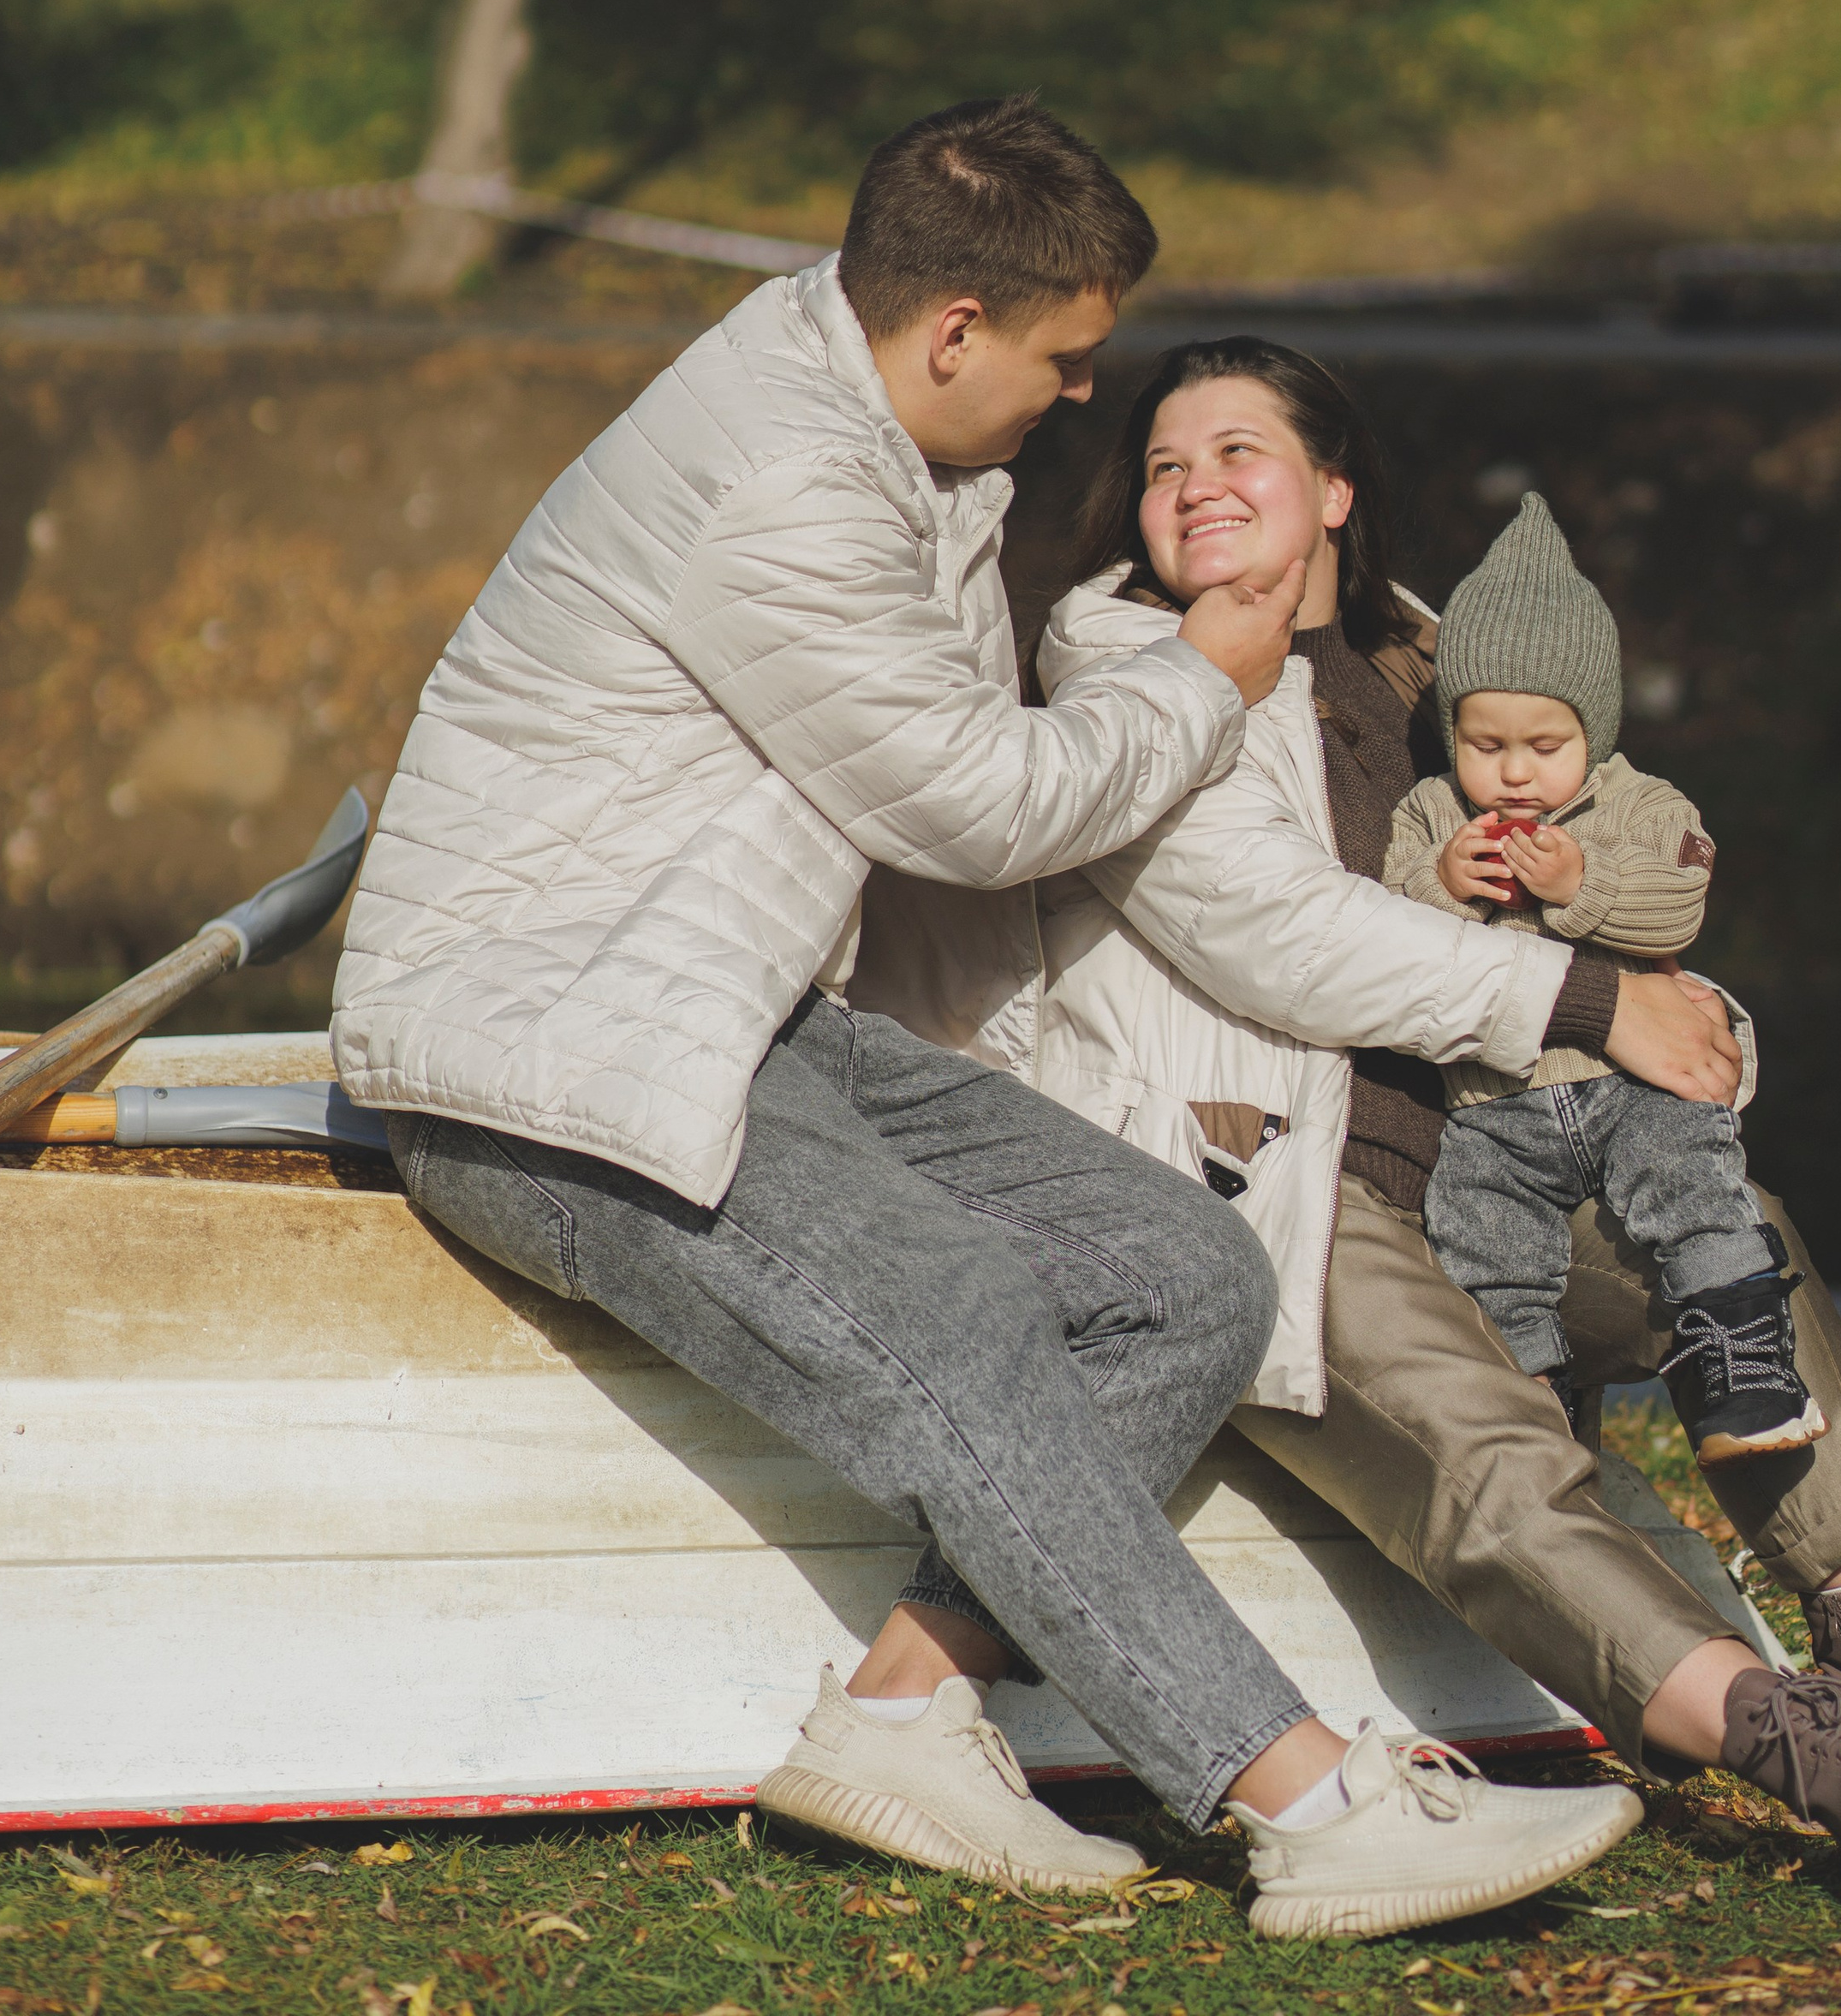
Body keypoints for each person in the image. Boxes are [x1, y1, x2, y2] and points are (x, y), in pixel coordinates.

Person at [332, 99, 1641, 1940]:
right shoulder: (784, 482)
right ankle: (1300, 1801)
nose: (1085, 401)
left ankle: (904, 1708)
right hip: (560, 1066)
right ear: (954, 332)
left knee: (1175, 1270)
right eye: (1068, 358)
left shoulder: (891, 433)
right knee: (964, 1312)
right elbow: (975, 805)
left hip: (732, 1014)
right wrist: (1202, 672)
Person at [1030, 336, 1841, 1906]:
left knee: (1746, 1255)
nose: (1193, 485)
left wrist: (1692, 1025)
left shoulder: (1436, 668)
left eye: (1236, 452)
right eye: (1162, 464)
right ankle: (1811, 1754)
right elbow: (1270, 932)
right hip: (1267, 1174)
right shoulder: (1134, 674)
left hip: (1497, 1145)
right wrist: (1598, 1011)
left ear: (1335, 490)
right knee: (1486, 1458)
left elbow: (1617, 877)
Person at [1393, 490, 1824, 1465]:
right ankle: (1531, 1402)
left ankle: (1744, 1362)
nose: (1511, 775)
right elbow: (1381, 931)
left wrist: (1580, 884)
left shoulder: (1641, 803)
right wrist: (1443, 884)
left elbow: (1677, 904)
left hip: (1631, 1085)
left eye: (1543, 747)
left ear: (1593, 727)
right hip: (1493, 1105)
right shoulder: (1429, 814)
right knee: (1479, 1237)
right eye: (1482, 744)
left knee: (1697, 1192)